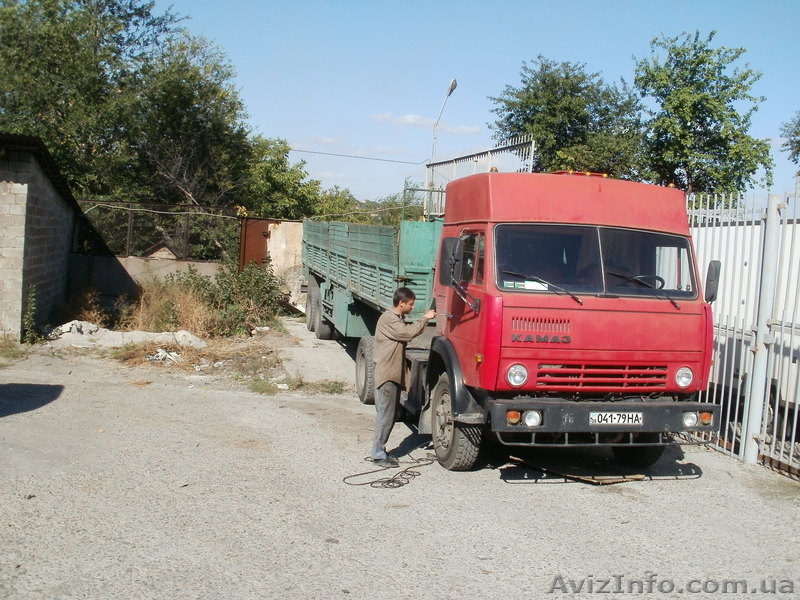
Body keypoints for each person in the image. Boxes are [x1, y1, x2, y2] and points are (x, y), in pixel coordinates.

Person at [371, 287, 435, 467]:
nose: (413, 307)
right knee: (386, 415)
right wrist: (425, 318)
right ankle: (378, 454)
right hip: (387, 374)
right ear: (401, 303)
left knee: (389, 415)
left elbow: (406, 329)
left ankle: (379, 451)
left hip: (392, 373)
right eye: (411, 304)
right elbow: (406, 333)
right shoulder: (389, 319)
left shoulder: (396, 318)